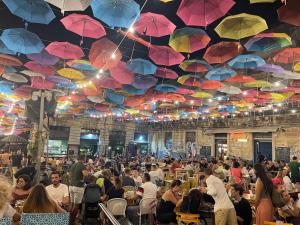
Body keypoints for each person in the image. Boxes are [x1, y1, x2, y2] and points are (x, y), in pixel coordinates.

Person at [69, 155, 89, 225]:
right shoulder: (82, 165)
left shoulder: (73, 165)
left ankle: (69, 219)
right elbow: (86, 174)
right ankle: (72, 221)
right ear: (84, 159)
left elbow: (70, 174)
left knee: (71, 203)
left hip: (71, 186)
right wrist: (87, 170)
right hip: (78, 186)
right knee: (76, 205)